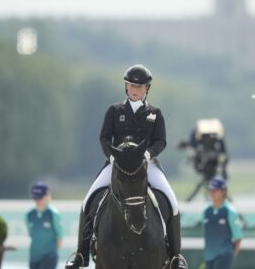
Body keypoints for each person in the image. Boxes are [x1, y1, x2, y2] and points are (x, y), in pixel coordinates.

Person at [66, 64, 186, 268]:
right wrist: (112, 157)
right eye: (132, 86)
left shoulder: (155, 113)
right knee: (88, 201)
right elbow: (104, 137)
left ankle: (176, 257)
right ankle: (81, 253)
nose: (135, 90)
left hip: (147, 165)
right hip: (117, 164)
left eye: (140, 87)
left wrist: (148, 155)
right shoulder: (114, 111)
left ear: (147, 88)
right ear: (126, 87)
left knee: (172, 202)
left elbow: (161, 141)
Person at [203, 177, 243, 269]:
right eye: (210, 189)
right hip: (209, 256)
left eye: (215, 190)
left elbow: (238, 237)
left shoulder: (230, 211)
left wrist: (230, 255)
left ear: (223, 191)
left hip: (224, 256)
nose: (212, 192)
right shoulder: (206, 211)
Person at [26, 181, 63, 269]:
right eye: (36, 197)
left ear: (48, 196)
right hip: (34, 257)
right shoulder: (29, 215)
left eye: (40, 197)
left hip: (49, 257)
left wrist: (52, 252)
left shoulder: (54, 214)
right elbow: (31, 234)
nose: (38, 200)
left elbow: (59, 236)